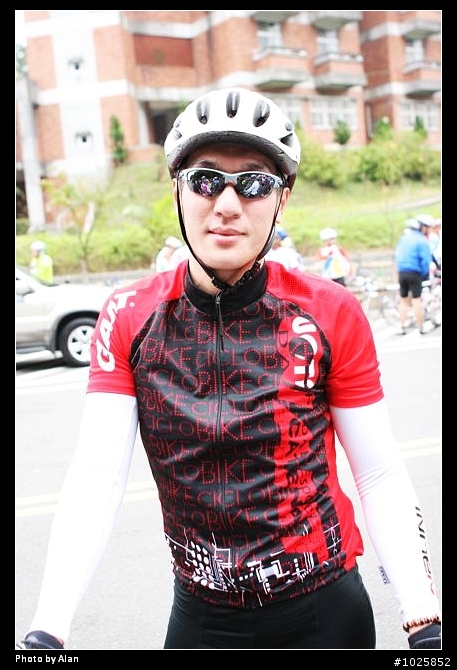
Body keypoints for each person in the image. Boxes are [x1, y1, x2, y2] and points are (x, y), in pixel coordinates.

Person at [17, 87, 441, 651]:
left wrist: (422, 614)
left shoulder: (330, 311)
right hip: (202, 619)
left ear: (282, 200)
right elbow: (97, 475)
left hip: (325, 610)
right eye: (205, 179)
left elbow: (378, 472)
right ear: (177, 189)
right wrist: (48, 628)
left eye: (254, 183)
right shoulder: (128, 314)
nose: (227, 203)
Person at [394, 216, 433, 335]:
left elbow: (397, 255)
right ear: (422, 228)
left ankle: (401, 326)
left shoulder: (404, 238)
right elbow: (426, 260)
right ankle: (421, 327)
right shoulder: (421, 240)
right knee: (417, 299)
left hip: (402, 272)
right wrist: (424, 274)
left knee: (403, 300)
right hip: (414, 272)